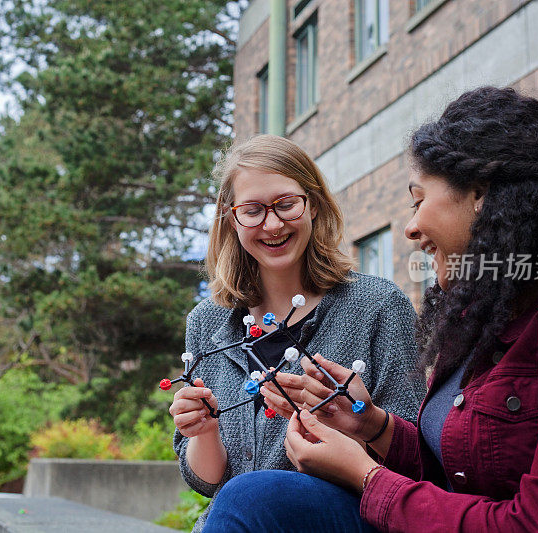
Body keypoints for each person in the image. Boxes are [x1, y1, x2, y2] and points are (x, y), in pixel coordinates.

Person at [202, 87, 538, 532]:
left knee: (252, 498)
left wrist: (365, 477)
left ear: (480, 194)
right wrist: (370, 424)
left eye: (419, 199)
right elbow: (455, 471)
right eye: (251, 211)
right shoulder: (477, 322)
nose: (410, 227)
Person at [169, 134, 426, 532]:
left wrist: (352, 420)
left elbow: (416, 454)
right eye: (252, 210)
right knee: (241, 497)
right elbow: (208, 482)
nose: (272, 224)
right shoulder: (208, 322)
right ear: (231, 219)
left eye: (286, 204)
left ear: (314, 204)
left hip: (347, 518)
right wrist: (203, 432)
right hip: (236, 521)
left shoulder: (377, 306)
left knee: (249, 496)